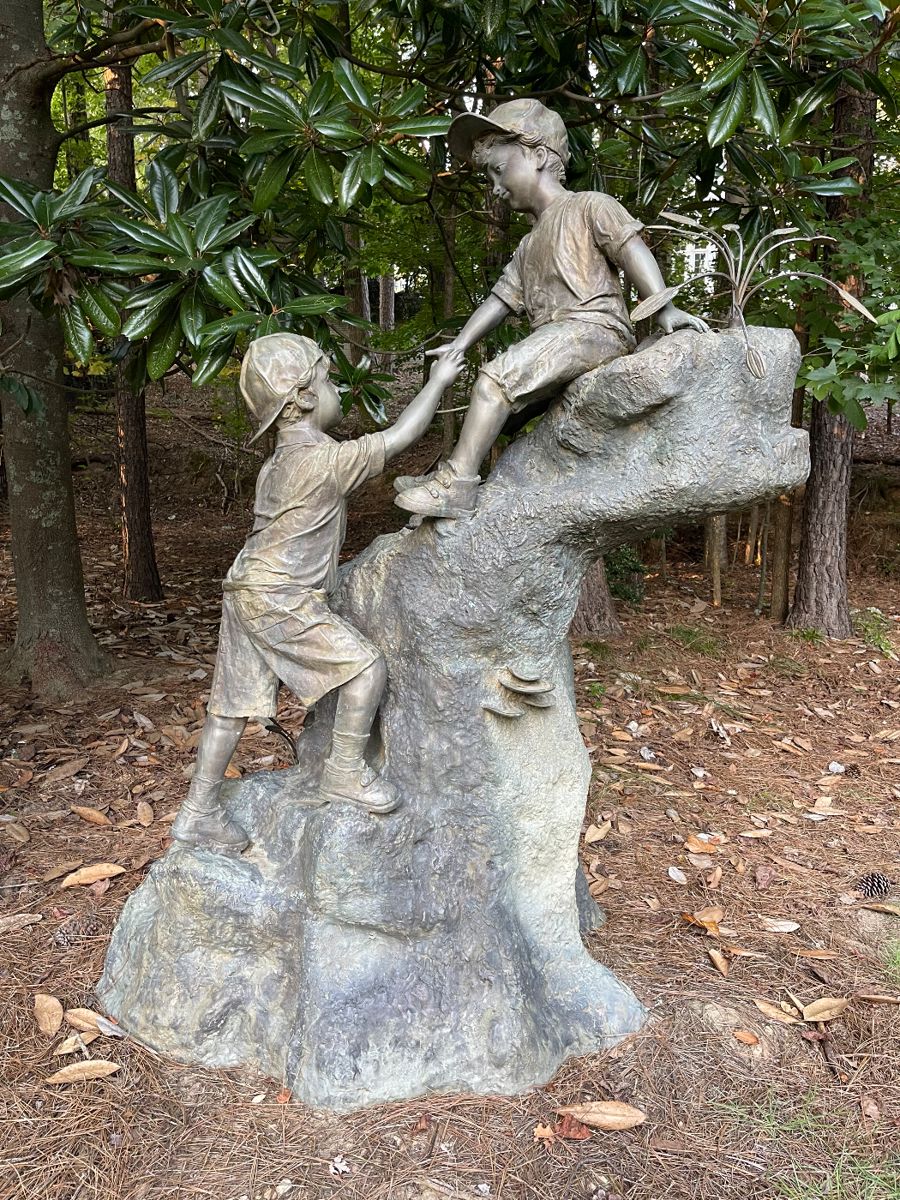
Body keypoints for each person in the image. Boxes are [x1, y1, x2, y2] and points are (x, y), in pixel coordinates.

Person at [171, 333, 464, 854]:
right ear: (302, 398)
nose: (337, 391)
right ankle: (344, 772)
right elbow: (399, 437)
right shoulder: (323, 464)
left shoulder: (278, 465)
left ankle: (198, 811)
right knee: (365, 669)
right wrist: (439, 382)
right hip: (279, 594)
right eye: (328, 381)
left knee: (229, 707)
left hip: (245, 586)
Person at [394, 99, 709, 520]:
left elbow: (631, 249)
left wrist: (663, 308)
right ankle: (452, 473)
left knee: (496, 380)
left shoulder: (589, 205)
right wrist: (461, 343)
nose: (495, 187)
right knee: (502, 415)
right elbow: (501, 299)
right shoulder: (528, 244)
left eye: (499, 170)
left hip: (594, 330)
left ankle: (457, 485)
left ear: (539, 156)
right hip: (557, 339)